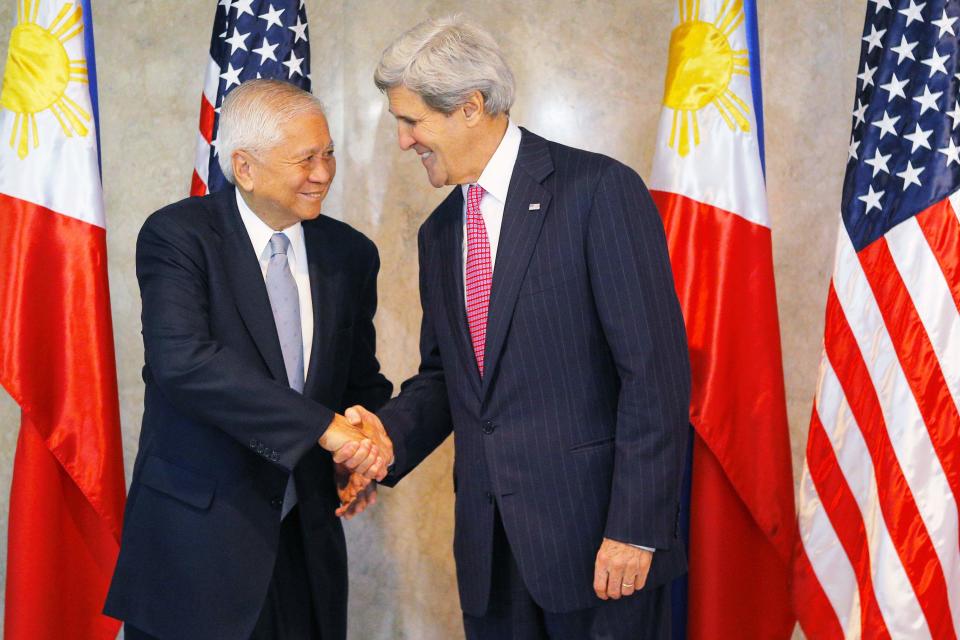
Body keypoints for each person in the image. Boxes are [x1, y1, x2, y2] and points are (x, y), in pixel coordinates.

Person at [352, 15, 692, 640]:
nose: (404, 142)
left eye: (412, 121)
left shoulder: (598, 191)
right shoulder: (440, 233)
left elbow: (655, 377)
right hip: (489, 553)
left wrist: (635, 528)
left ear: (471, 107)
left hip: (599, 547)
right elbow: (446, 378)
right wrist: (382, 442)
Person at [104, 79, 393, 640]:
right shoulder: (179, 236)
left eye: (329, 151)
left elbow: (359, 378)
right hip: (197, 548)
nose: (324, 172)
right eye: (306, 158)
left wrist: (359, 450)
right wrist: (326, 429)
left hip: (306, 545)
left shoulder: (350, 253)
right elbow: (185, 363)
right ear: (245, 166)